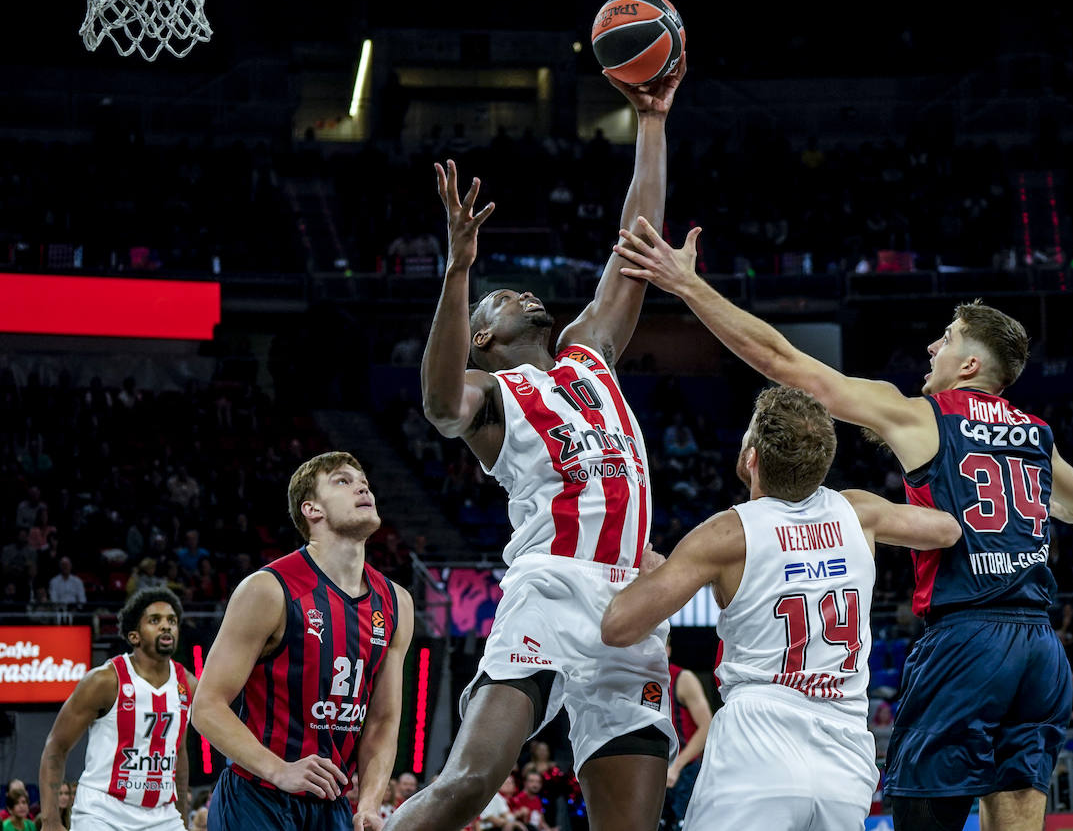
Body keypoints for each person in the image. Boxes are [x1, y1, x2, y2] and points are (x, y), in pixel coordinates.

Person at [613, 226, 1073, 831]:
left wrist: (689, 286)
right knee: (1018, 799)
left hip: (968, 634)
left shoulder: (922, 415)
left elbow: (785, 363)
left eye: (944, 341)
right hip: (1040, 644)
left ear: (970, 364)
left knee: (923, 809)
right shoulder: (1036, 435)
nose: (931, 349)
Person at [389, 57, 687, 831]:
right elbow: (436, 401)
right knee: (469, 784)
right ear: (484, 334)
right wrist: (459, 271)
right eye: (504, 296)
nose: (525, 292)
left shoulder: (589, 350)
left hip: (632, 599)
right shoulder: (491, 395)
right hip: (553, 589)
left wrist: (651, 122)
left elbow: (636, 248)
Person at [601, 386, 963, 828]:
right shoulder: (860, 511)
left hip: (758, 739)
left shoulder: (726, 534)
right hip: (847, 751)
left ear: (751, 458)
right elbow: (947, 529)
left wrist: (651, 572)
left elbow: (618, 626)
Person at [190, 452, 415, 831]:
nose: (363, 486)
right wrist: (280, 771)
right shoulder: (268, 589)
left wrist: (370, 803)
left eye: (363, 481)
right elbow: (207, 707)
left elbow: (382, 720)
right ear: (312, 510)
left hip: (333, 805)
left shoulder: (397, 602)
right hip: (258, 797)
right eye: (342, 481)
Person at [39, 587, 195, 831]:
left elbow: (179, 754)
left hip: (162, 815)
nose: (166, 626)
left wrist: (182, 817)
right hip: (102, 811)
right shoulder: (104, 681)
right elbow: (56, 745)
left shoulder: (188, 684)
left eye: (172, 621)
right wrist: (49, 821)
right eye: (155, 620)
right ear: (134, 636)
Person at [662, 638, 712, 830]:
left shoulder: (683, 679)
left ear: (667, 650)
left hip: (684, 770)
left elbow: (706, 726)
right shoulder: (637, 681)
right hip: (653, 769)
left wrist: (677, 766)